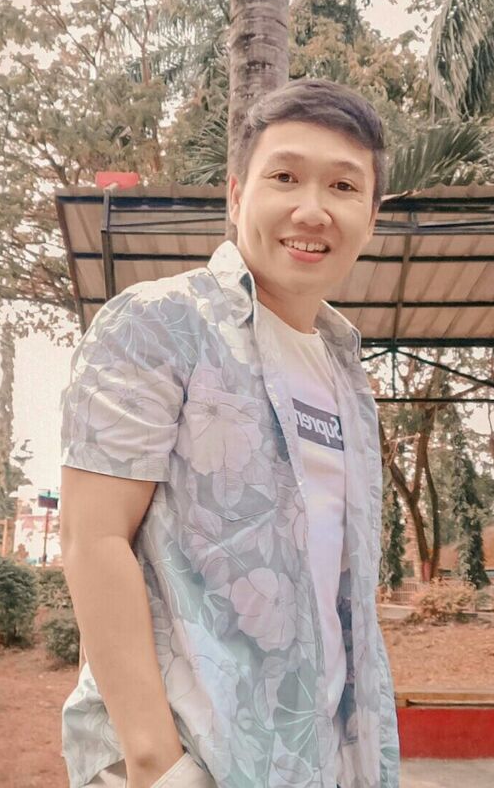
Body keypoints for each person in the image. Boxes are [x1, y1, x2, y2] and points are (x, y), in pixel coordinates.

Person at [59, 78, 399, 788]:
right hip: (191, 762)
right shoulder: (158, 324)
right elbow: (94, 540)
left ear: (371, 216)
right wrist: (158, 763)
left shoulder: (346, 375)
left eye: (343, 186)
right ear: (238, 195)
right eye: (285, 177)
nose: (312, 209)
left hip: (318, 761)